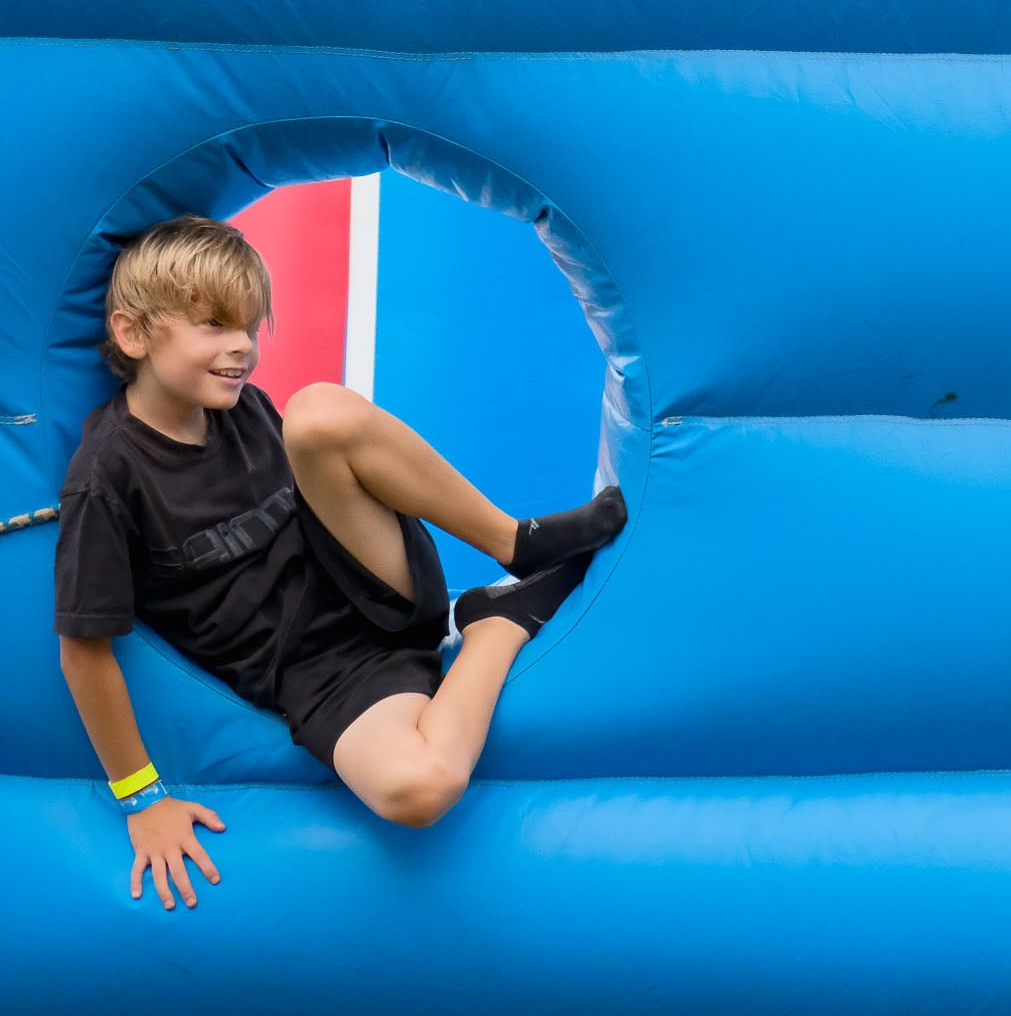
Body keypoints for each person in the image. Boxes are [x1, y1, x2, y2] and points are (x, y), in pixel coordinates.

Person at [53, 215, 627, 909]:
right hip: (320, 674)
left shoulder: (244, 410)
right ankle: (494, 623)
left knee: (319, 412)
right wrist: (141, 797)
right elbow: (84, 651)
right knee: (420, 789)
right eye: (214, 325)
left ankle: (513, 541)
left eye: (250, 327)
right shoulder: (108, 476)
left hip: (370, 582)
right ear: (132, 333)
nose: (241, 347)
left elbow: (328, 496)